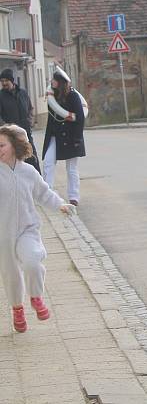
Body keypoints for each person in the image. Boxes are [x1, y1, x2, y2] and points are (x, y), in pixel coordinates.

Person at [0, 124, 74, 333]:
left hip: (27, 229)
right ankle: (17, 309)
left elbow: (44, 193)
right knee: (10, 273)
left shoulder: (28, 171)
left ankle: (36, 296)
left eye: (2, 145)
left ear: (14, 145)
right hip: (2, 234)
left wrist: (60, 204)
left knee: (33, 260)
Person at [42, 67, 85, 206]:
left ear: (59, 82)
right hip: (54, 135)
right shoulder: (51, 95)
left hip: (71, 136)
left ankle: (74, 197)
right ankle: (48, 193)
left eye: (54, 79)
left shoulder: (73, 96)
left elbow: (80, 118)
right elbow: (53, 114)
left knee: (71, 168)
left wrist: (78, 138)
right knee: (48, 163)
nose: (51, 81)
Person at [0, 68, 39, 173]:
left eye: (6, 81)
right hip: (10, 135)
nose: (4, 83)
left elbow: (30, 108)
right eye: (2, 81)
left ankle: (38, 183)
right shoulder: (1, 96)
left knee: (32, 159)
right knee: (16, 162)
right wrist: (7, 129)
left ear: (12, 81)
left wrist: (30, 120)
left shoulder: (23, 93)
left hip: (26, 133)